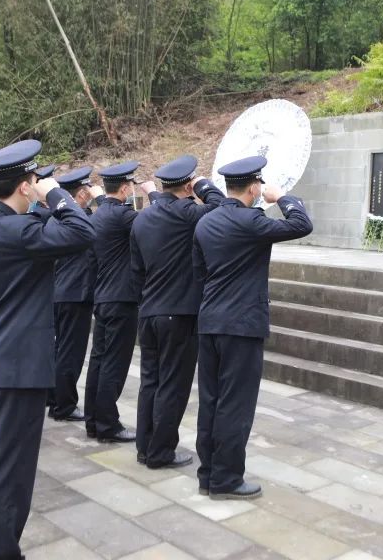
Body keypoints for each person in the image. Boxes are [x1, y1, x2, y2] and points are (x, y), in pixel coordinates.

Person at [0, 139, 95, 560]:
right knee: (8, 472)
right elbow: (83, 231)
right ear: (23, 187)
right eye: (33, 181)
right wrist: (55, 192)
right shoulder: (22, 231)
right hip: (18, 369)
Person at [193, 156, 312, 499]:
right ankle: (227, 479)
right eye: (260, 185)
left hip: (210, 321)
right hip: (241, 325)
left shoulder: (206, 223)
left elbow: (199, 271)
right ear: (253, 186)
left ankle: (208, 474)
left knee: (211, 401)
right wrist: (283, 198)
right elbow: (301, 224)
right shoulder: (251, 221)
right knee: (235, 404)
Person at [130, 155, 224, 469]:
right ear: (186, 186)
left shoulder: (142, 217)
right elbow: (223, 208)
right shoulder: (188, 213)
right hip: (179, 313)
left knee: (150, 383)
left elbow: (137, 269)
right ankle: (161, 452)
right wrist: (204, 185)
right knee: (173, 384)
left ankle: (145, 447)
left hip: (149, 312)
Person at [83, 161, 154, 443]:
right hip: (121, 298)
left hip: (102, 296)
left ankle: (94, 421)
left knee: (99, 361)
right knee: (114, 362)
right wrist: (153, 194)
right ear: (124, 188)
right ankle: (108, 426)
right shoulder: (123, 217)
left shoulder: (98, 216)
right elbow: (155, 221)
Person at [50, 166, 102, 422]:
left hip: (59, 290)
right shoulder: (79, 221)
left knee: (60, 349)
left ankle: (54, 397)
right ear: (81, 194)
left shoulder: (55, 217)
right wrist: (101, 198)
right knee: (71, 353)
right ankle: (64, 405)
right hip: (76, 293)